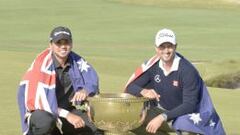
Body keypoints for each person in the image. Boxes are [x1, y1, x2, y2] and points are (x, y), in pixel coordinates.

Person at [125, 28, 225, 135]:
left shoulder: (187, 70)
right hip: (161, 110)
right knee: (132, 118)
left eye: (169, 46)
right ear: (156, 48)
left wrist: (162, 117)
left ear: (175, 46)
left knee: (183, 124)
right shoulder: (153, 66)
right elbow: (130, 87)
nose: (166, 51)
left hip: (185, 115)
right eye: (162, 47)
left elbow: (189, 105)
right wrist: (144, 91)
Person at [17, 26, 101, 135]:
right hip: (41, 112)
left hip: (67, 109)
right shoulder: (40, 67)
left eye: (66, 42)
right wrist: (68, 115)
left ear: (71, 43)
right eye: (58, 43)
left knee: (96, 127)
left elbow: (91, 82)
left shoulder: (77, 62)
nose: (63, 47)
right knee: (45, 122)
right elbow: (43, 103)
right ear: (51, 45)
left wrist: (85, 91)